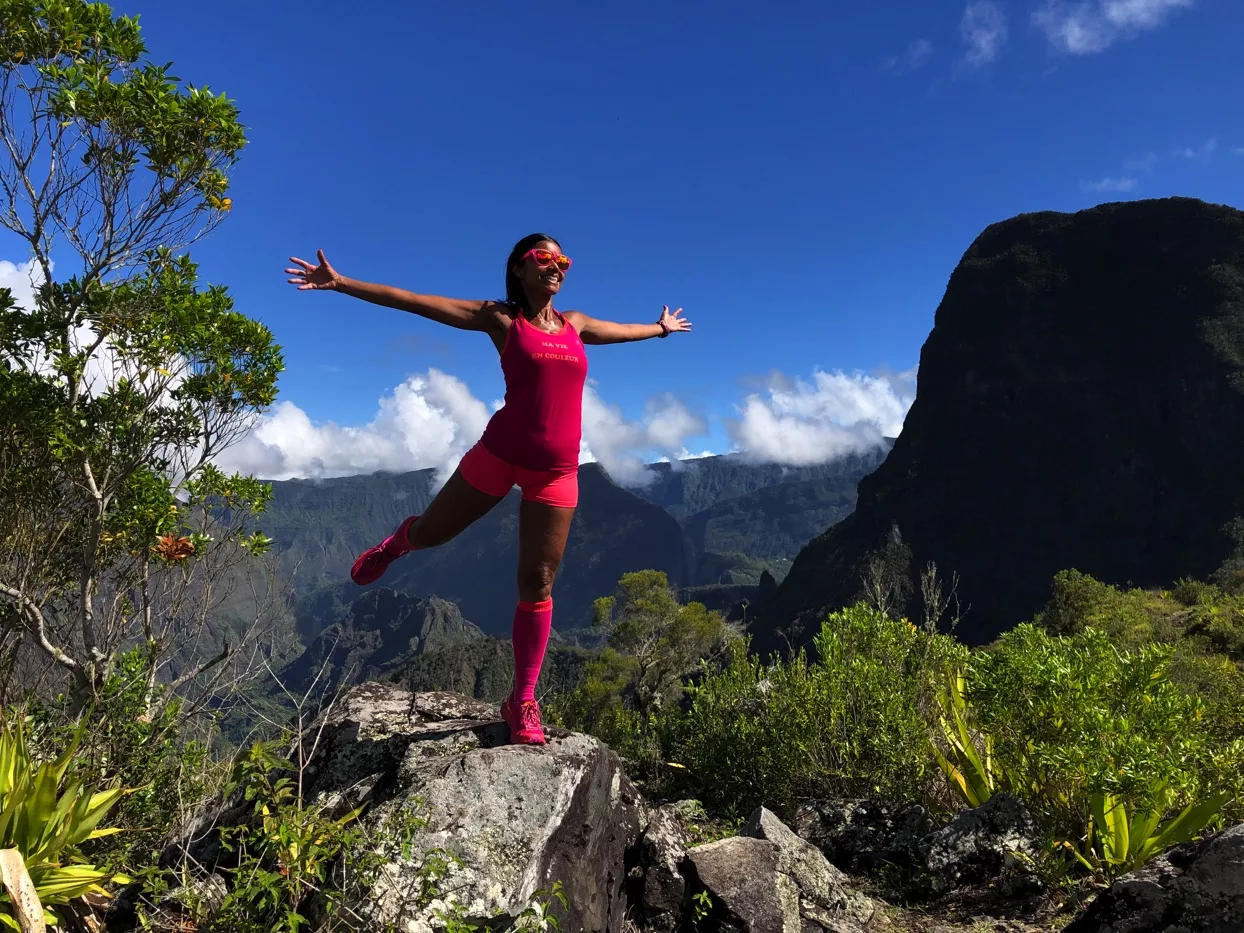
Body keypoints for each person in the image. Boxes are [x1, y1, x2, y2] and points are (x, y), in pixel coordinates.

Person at [284, 234, 692, 744]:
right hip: (499, 455)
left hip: (558, 470)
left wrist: (660, 329)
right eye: (544, 258)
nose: (556, 266)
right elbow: (415, 302)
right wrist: (343, 284)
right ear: (519, 268)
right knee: (434, 533)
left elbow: (619, 331)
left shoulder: (576, 325)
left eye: (562, 260)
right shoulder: (500, 319)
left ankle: (522, 698)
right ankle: (396, 543)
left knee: (538, 580)